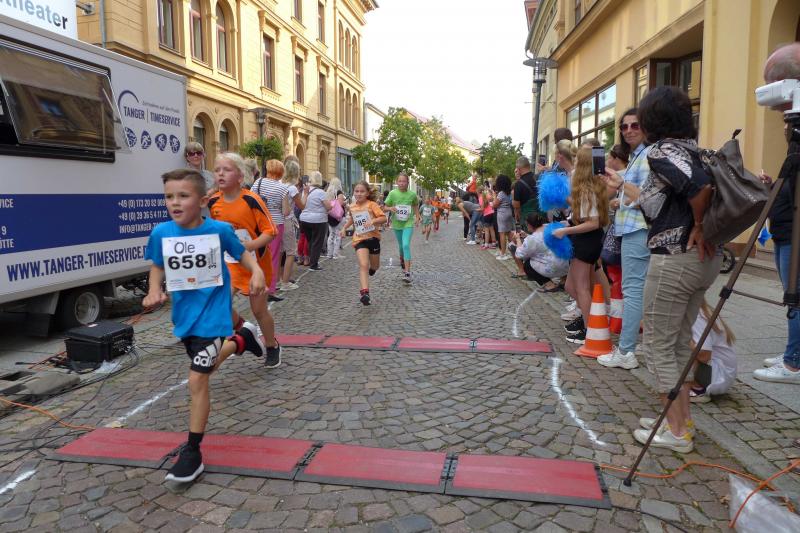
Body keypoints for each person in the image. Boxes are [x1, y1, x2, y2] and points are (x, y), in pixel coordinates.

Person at [144, 169, 267, 483]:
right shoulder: (161, 233)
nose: (175, 202)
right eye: (169, 196)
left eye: (183, 196)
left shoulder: (219, 230)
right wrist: (153, 290)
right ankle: (243, 339)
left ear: (202, 201)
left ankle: (193, 452)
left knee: (197, 379)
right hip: (185, 319)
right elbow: (157, 265)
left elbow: (243, 255)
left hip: (215, 316)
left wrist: (256, 272)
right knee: (207, 368)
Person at [630, 86, 721, 453]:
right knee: (679, 342)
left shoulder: (663, 151)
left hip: (675, 257)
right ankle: (679, 418)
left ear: (652, 119)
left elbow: (699, 188)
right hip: (700, 260)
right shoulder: (695, 150)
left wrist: (698, 224)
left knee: (657, 345)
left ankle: (677, 429)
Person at [208, 152, 282, 368]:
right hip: (229, 265)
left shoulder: (251, 200)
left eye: (227, 170)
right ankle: (243, 327)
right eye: (217, 170)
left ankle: (272, 345)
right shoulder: (213, 202)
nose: (221, 174)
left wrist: (249, 245)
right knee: (218, 304)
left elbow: (271, 232)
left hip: (256, 265)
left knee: (259, 310)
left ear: (240, 177)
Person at [754, 42, 800, 385]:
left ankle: (792, 362)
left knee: (795, 296)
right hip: (785, 229)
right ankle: (793, 351)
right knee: (792, 295)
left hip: (793, 232)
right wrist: (774, 186)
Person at [597, 109, 652, 370]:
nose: (628, 130)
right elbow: (637, 196)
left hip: (637, 230)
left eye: (635, 125)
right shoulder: (637, 156)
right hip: (634, 227)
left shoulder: (647, 155)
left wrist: (620, 187)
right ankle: (640, 345)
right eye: (624, 126)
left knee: (632, 290)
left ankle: (626, 351)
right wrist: (621, 196)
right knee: (640, 290)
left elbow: (647, 197)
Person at [551, 147, 609, 344]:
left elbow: (592, 222)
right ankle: (592, 321)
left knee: (581, 288)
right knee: (572, 286)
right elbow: (585, 214)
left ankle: (590, 330)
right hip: (588, 240)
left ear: (583, 164)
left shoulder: (586, 188)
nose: (574, 163)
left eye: (577, 160)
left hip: (587, 241)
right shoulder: (592, 186)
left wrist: (565, 231)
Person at [340, 181, 387, 305]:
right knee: (363, 264)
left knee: (375, 266)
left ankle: (373, 269)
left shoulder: (372, 205)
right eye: (356, 191)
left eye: (362, 191)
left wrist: (373, 221)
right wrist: (344, 228)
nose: (359, 194)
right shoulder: (352, 206)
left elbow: (383, 218)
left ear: (367, 193)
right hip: (360, 239)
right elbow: (352, 219)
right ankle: (365, 293)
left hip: (373, 238)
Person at [252, 159, 289, 302]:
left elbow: (250, 200)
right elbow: (286, 211)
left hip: (260, 223)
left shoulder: (258, 182)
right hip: (275, 225)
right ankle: (270, 290)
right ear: (280, 172)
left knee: (259, 255)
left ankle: (257, 285)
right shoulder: (282, 188)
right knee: (273, 257)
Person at [687, 300, 737, 402]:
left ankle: (697, 389)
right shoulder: (700, 310)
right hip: (721, 374)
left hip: (715, 378)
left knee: (677, 343)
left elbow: (704, 355)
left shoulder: (696, 316)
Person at [510, 212, 569, 285]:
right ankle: (564, 281)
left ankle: (549, 285)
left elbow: (519, 254)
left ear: (529, 225)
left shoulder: (532, 238)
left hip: (552, 269)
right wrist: (526, 235)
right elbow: (541, 240)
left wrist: (518, 239)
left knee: (527, 265)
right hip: (566, 266)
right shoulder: (551, 228)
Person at [384, 171, 420, 282]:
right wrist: (390, 208)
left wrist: (417, 216)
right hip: (397, 224)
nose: (402, 183)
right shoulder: (392, 193)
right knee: (401, 247)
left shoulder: (412, 194)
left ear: (408, 182)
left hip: (408, 223)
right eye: (399, 181)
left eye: (404, 181)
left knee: (405, 245)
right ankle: (402, 259)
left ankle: (407, 273)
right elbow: (384, 207)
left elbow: (415, 204)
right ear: (396, 182)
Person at [278, 158, 304, 291]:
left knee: (280, 252)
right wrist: (306, 193)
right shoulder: (292, 188)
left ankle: (278, 280)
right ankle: (285, 282)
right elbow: (302, 206)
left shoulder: (279, 184)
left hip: (278, 220)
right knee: (290, 252)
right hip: (288, 220)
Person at [298, 171, 332, 271]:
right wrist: (331, 205)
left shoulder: (305, 191)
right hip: (318, 220)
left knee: (310, 241)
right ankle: (313, 264)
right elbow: (328, 207)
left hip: (304, 220)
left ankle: (309, 260)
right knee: (317, 242)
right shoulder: (321, 192)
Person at [512, 156, 538, 226]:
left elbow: (516, 206)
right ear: (529, 166)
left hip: (528, 221)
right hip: (541, 217)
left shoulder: (518, 184)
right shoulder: (539, 178)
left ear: (518, 168)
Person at [493, 174, 514, 260]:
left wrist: (494, 196)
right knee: (509, 233)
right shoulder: (509, 192)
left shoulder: (501, 193)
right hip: (509, 212)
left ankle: (503, 254)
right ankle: (513, 251)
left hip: (502, 214)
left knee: (502, 234)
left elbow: (495, 205)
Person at [325, 177, 347, 259]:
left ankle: (329, 254)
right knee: (338, 235)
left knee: (331, 235)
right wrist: (345, 202)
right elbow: (340, 204)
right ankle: (335, 254)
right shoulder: (339, 192)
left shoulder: (328, 192)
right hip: (338, 216)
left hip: (330, 216)